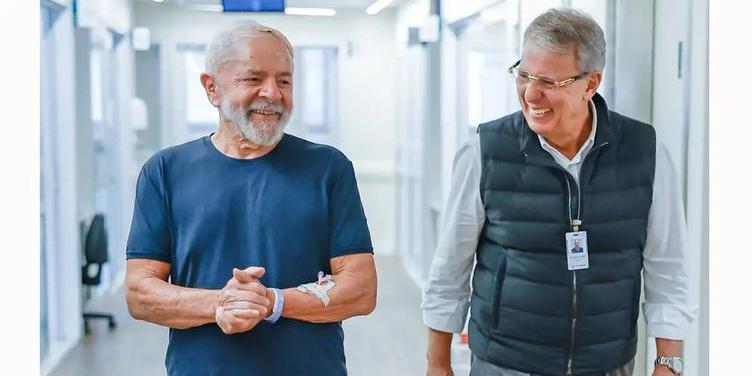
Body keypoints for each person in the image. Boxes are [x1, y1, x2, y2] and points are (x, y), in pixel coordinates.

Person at [422, 8, 693, 376]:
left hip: (606, 365)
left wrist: (668, 362)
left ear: (591, 84)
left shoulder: (644, 151)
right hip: (505, 363)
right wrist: (438, 365)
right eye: (524, 75)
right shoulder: (484, 151)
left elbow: (669, 268)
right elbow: (450, 268)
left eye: (549, 82)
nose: (531, 93)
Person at [125, 20, 377, 376]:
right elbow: (140, 293)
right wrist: (220, 304)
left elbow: (362, 288)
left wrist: (273, 302)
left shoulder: (328, 168)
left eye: (284, 81)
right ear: (211, 88)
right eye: (253, 79)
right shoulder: (165, 171)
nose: (273, 93)